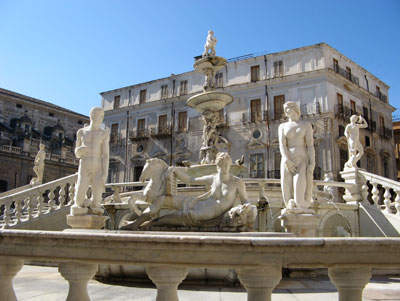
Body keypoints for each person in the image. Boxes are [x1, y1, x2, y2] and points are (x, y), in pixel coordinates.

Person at [151, 152, 257, 229]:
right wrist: (176, 171)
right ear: (217, 166)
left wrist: (247, 205)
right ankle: (153, 221)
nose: (225, 168)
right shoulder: (213, 178)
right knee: (178, 205)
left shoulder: (237, 182)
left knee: (185, 215)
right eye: (222, 165)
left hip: (212, 212)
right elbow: (191, 180)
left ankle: (155, 222)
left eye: (227, 165)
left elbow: (245, 200)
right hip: (203, 204)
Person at [72, 107, 109, 215]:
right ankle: (85, 202)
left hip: (98, 168)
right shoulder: (81, 132)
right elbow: (76, 152)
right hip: (84, 166)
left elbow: (106, 155)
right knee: (78, 202)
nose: (101, 118)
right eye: (99, 115)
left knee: (97, 204)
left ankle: (91, 204)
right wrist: (78, 151)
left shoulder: (104, 134)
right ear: (92, 115)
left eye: (102, 116)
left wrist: (105, 173)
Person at [278, 101, 315, 210]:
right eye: (284, 109)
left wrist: (312, 163)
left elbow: (310, 145)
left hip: (301, 161)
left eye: (287, 108)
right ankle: (291, 220)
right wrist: (286, 159)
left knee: (300, 202)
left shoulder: (306, 125)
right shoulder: (282, 126)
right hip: (287, 162)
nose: (285, 111)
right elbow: (282, 145)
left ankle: (305, 202)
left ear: (294, 108)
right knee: (287, 196)